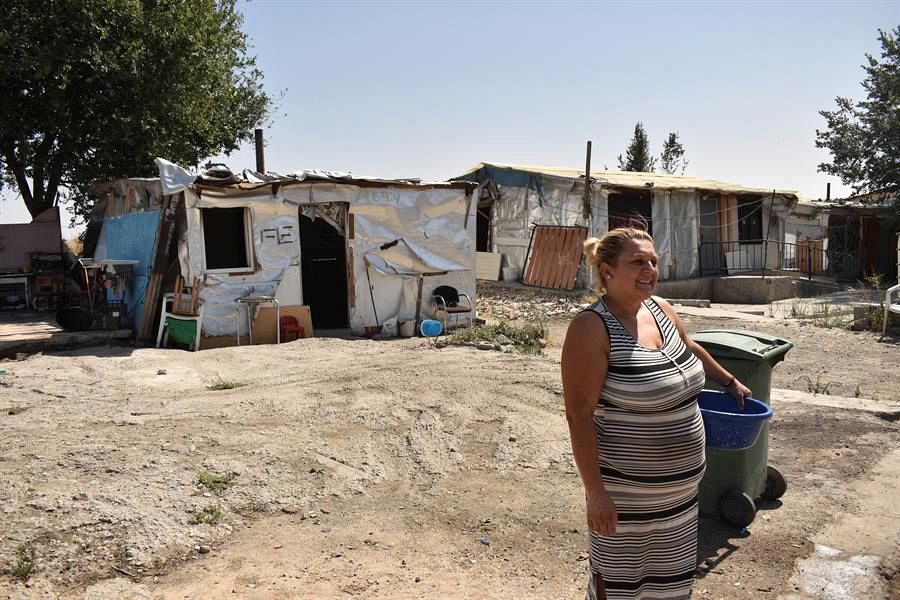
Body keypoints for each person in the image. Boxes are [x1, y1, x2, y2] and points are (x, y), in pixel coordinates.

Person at [561, 227, 751, 600]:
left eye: (653, 261)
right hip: (626, 502)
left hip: (681, 500)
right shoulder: (591, 328)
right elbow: (578, 417)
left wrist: (729, 381)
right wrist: (596, 494)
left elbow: (690, 346)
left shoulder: (660, 308)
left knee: (670, 588)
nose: (649, 270)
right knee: (621, 590)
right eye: (637, 262)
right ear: (607, 270)